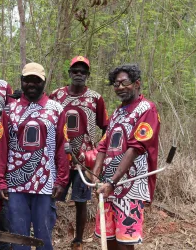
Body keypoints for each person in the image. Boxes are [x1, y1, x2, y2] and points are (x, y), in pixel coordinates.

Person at [0, 62, 70, 250]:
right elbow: (2, 146)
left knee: (43, 234)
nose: (32, 84)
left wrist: (62, 180)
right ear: (21, 81)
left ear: (44, 82)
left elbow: (62, 146)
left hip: (45, 182)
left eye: (36, 80)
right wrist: (0, 180)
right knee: (19, 237)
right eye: (28, 80)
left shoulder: (56, 109)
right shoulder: (10, 110)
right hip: (15, 182)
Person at [92, 64, 160, 250]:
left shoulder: (147, 109)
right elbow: (104, 144)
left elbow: (136, 147)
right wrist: (96, 173)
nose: (119, 87)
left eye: (124, 83)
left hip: (130, 186)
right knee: (109, 237)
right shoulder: (117, 112)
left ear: (137, 83)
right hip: (107, 185)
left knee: (125, 241)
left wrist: (113, 181)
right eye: (116, 84)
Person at [49, 55, 108, 250]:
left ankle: (78, 241)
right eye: (75, 71)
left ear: (88, 75)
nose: (79, 75)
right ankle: (46, 236)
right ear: (69, 73)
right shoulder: (56, 96)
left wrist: (98, 149)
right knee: (52, 198)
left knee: (81, 201)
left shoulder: (95, 98)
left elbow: (106, 126)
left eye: (83, 72)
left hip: (84, 160)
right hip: (60, 159)